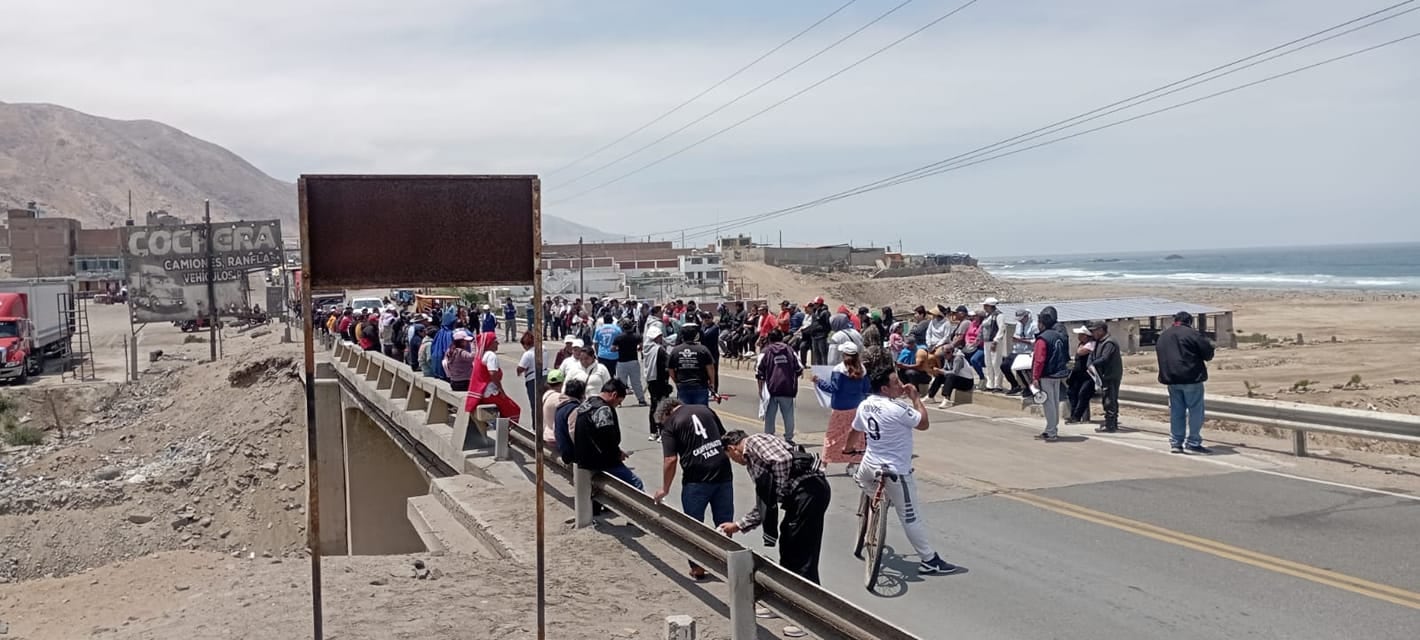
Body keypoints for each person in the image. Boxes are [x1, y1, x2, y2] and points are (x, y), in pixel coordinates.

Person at [852, 367, 960, 574]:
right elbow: (924, 423)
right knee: (910, 517)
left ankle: (877, 498)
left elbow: (854, 430)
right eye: (895, 383)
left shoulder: (864, 405)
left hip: (870, 463)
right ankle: (929, 559)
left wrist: (848, 449)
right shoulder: (898, 409)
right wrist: (916, 399)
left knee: (861, 479)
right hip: (896, 470)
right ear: (884, 389)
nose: (901, 385)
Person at [718, 430, 830, 587]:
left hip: (808, 492)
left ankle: (804, 598)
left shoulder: (753, 442)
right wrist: (739, 525)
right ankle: (792, 594)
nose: (735, 461)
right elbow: (766, 502)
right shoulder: (755, 455)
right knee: (790, 543)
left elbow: (782, 460)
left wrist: (780, 488)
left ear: (731, 448)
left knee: (800, 550)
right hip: (806, 495)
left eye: (731, 458)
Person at [652, 398, 734, 580]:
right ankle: (726, 563)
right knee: (725, 522)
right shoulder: (705, 409)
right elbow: (724, 438)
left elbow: (670, 460)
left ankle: (698, 568)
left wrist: (664, 488)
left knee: (693, 525)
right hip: (723, 472)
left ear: (666, 414)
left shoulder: (671, 424)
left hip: (696, 479)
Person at [1156, 311, 1215, 454]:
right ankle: (1193, 442)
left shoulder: (1164, 335)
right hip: (1191, 378)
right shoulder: (1192, 334)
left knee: (1177, 412)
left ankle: (1176, 443)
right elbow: (1208, 354)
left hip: (1171, 379)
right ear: (1190, 322)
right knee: (1195, 411)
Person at [574, 379, 642, 490]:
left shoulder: (587, 403)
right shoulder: (603, 409)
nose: (617, 405)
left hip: (584, 458)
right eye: (619, 402)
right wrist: (617, 454)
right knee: (636, 484)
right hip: (602, 460)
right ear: (614, 395)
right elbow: (606, 438)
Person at [814, 343, 871, 475]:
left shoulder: (839, 369)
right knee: (856, 435)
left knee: (832, 436)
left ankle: (824, 463)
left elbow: (833, 388)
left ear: (844, 355)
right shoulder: (862, 369)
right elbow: (866, 389)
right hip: (857, 407)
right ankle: (852, 464)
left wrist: (819, 382)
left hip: (840, 408)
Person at [1029, 306, 1070, 442]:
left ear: (1042, 323)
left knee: (1048, 403)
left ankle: (1051, 432)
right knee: (1054, 402)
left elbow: (1039, 360)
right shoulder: (1058, 335)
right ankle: (1052, 428)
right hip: (1057, 373)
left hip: (1046, 375)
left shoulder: (1042, 339)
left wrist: (1035, 377)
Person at [756, 330, 803, 445]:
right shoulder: (790, 351)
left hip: (770, 389)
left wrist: (760, 390)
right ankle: (789, 438)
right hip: (787, 388)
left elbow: (759, 372)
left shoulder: (765, 352)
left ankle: (769, 437)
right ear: (782, 338)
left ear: (769, 339)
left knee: (770, 415)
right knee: (788, 415)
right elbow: (799, 368)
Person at [465, 332, 521, 424]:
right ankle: (507, 433)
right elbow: (493, 374)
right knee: (514, 409)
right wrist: (501, 389)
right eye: (495, 341)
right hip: (491, 392)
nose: (498, 344)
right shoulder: (491, 355)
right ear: (489, 343)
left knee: (502, 413)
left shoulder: (481, 356)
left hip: (482, 392)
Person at [1089, 320, 1124, 433]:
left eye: (1094, 331)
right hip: (1104, 376)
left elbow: (1104, 358)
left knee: (1110, 400)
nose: (1093, 333)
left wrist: (1093, 363)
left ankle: (1111, 424)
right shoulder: (1099, 342)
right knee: (1107, 399)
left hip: (1110, 375)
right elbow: (1093, 355)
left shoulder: (1109, 342)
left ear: (1101, 330)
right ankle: (1110, 423)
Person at [669, 324, 716, 406]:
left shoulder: (675, 351)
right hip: (700, 386)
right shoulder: (703, 349)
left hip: (683, 385)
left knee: (685, 414)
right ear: (695, 336)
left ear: (682, 336)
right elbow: (710, 368)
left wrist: (676, 381)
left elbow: (671, 369)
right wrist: (712, 382)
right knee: (700, 413)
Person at [641, 326, 673, 441]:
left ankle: (653, 431)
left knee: (654, 406)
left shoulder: (646, 348)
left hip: (651, 380)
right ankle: (663, 431)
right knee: (663, 406)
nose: (661, 338)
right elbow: (669, 361)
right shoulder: (659, 349)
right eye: (659, 336)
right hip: (661, 380)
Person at [1065, 326, 1097, 424]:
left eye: (1081, 335)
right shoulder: (1082, 344)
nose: (1079, 336)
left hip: (1087, 375)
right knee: (1072, 393)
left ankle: (1078, 417)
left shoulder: (1091, 344)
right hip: (1078, 374)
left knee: (1083, 394)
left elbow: (1080, 352)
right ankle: (1073, 415)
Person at [611, 319, 647, 406]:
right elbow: (641, 347)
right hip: (633, 361)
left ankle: (618, 402)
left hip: (621, 362)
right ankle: (641, 400)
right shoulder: (636, 336)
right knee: (636, 382)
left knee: (621, 383)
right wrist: (637, 348)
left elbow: (612, 349)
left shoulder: (618, 337)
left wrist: (619, 349)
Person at [1001, 309, 1036, 396]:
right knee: (1004, 366)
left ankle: (1029, 388)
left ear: (1026, 316)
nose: (1020, 320)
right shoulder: (1018, 325)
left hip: (1027, 351)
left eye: (1021, 318)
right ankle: (1015, 385)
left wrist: (1021, 340)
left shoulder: (1034, 326)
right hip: (1017, 350)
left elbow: (1035, 341)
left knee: (1021, 368)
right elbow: (1016, 336)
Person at [553, 378, 587, 465]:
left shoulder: (561, 406)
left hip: (563, 450)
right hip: (572, 455)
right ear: (581, 394)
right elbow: (574, 433)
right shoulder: (574, 409)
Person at [980, 298, 1006, 392]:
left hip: (994, 342)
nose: (984, 307)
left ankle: (998, 385)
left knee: (996, 363)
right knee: (988, 363)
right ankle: (990, 383)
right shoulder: (988, 315)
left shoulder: (999, 315)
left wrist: (996, 340)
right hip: (987, 342)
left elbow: (1001, 328)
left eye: (985, 305)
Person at [540, 369, 567, 447]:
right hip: (556, 437)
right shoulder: (560, 398)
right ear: (562, 383)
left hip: (547, 434)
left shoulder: (546, 395)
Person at [515, 330, 538, 406]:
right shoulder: (542, 349)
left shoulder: (528, 354)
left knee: (534, 404)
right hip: (544, 376)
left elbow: (520, 368)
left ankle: (535, 417)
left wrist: (519, 372)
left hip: (532, 379)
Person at [808, 298, 832, 365]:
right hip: (814, 336)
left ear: (820, 304)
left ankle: (825, 369)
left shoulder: (825, 312)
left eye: (816, 303)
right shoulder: (815, 312)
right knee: (816, 354)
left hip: (822, 336)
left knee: (823, 354)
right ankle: (818, 370)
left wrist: (824, 333)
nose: (814, 305)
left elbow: (828, 325)